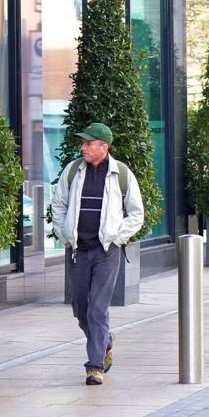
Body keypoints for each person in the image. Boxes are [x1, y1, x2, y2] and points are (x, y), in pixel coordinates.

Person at [51, 122, 144, 385]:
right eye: (83, 143)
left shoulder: (121, 174)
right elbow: (58, 205)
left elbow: (136, 213)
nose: (83, 147)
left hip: (106, 252)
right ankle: (106, 341)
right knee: (81, 309)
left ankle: (94, 367)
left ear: (104, 147)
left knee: (97, 309)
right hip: (78, 251)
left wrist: (117, 237)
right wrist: (65, 235)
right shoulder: (72, 171)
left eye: (89, 143)